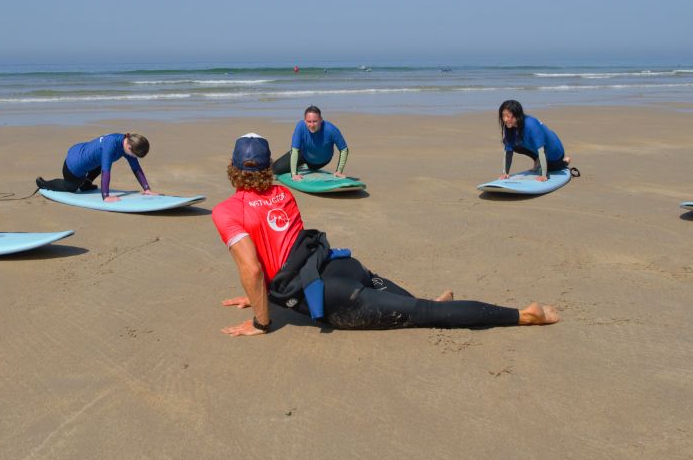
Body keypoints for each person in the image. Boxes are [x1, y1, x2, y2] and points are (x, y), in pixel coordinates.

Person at [212, 133, 559, 336]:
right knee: (412, 302)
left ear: (233, 169)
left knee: (424, 316)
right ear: (270, 163)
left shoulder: (227, 211)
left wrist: (261, 319)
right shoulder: (284, 194)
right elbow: (286, 251)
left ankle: (525, 315)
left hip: (336, 295)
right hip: (342, 267)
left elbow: (255, 269)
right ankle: (430, 301)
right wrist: (260, 294)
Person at [36, 132, 156, 202]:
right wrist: (106, 196)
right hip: (73, 166)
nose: (133, 157)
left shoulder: (125, 141)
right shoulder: (112, 145)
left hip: (80, 152)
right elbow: (106, 171)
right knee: (71, 187)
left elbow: (136, 168)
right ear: (129, 147)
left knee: (100, 161)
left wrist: (147, 189)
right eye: (134, 155)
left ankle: (86, 184)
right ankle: (44, 184)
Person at [497, 99, 570, 182]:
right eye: (503, 116)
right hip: (539, 150)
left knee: (552, 169)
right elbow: (508, 151)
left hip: (555, 154)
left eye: (508, 116)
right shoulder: (509, 126)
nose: (505, 119)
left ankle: (565, 161)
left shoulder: (531, 124)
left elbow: (543, 150)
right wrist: (505, 173)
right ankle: (538, 160)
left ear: (517, 115)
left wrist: (544, 175)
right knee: (508, 142)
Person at [271, 105, 349, 180]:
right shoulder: (300, 126)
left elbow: (344, 149)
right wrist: (294, 174)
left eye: (315, 121)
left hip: (321, 161)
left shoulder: (331, 129)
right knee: (275, 169)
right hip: (303, 155)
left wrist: (339, 171)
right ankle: (296, 165)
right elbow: (295, 150)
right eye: (309, 121)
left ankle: (301, 166)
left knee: (312, 168)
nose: (312, 125)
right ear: (305, 120)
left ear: (321, 120)